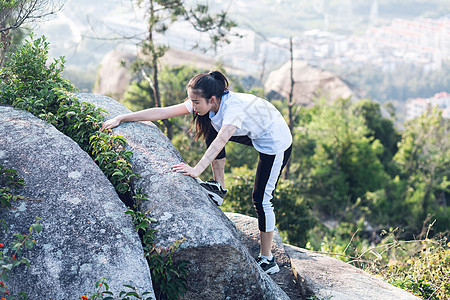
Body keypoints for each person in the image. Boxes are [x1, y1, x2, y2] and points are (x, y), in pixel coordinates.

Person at [100, 71, 292, 275]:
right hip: (254, 131)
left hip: (274, 141)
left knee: (261, 199)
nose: (192, 106)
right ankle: (219, 187)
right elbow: (162, 112)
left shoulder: (233, 109)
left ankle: (268, 259)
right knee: (209, 124)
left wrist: (196, 169)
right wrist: (123, 117)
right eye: (191, 100)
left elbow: (221, 141)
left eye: (196, 102)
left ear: (212, 99)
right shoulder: (208, 104)